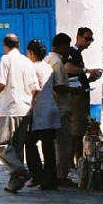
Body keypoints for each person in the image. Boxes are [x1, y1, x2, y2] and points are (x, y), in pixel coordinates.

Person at [0, 33, 39, 194]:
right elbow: (35, 88)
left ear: (5, 45)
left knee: (2, 145)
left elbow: (1, 83)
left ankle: (21, 170)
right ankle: (13, 184)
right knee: (16, 147)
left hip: (9, 109)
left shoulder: (5, 60)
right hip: (25, 110)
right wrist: (29, 104)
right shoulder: (27, 62)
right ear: (18, 45)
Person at [24, 39, 60, 190]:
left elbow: (34, 89)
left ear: (31, 53)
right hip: (50, 109)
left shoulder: (32, 68)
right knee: (48, 146)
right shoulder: (48, 67)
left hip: (38, 110)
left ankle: (37, 174)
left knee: (30, 143)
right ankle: (50, 179)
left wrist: (27, 106)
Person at [65, 27, 103, 166]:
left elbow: (78, 78)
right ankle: (72, 163)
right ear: (79, 37)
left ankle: (78, 161)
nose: (89, 42)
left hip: (82, 96)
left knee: (80, 132)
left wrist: (90, 79)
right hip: (75, 99)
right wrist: (87, 70)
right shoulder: (72, 52)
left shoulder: (78, 55)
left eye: (91, 39)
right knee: (75, 133)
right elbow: (68, 68)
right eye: (87, 39)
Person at [44, 33, 75, 184]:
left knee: (57, 145)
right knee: (63, 145)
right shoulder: (57, 61)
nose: (68, 50)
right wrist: (75, 90)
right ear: (62, 46)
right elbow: (59, 86)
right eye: (67, 46)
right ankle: (61, 175)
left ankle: (57, 173)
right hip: (60, 108)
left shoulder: (47, 59)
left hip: (52, 107)